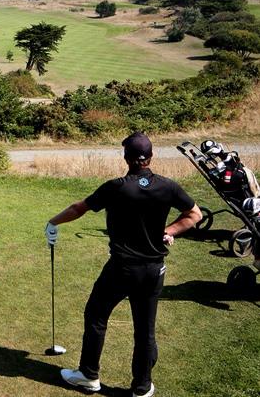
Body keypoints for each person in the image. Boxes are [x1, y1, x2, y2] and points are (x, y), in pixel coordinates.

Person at [44, 132, 202, 397]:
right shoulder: (168, 186)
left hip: (121, 268)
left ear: (126, 158)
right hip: (153, 270)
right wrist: (170, 231)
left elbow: (78, 208)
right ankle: (141, 388)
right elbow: (194, 214)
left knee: (96, 315)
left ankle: (88, 376)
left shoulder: (116, 187)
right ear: (150, 157)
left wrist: (53, 222)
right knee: (145, 330)